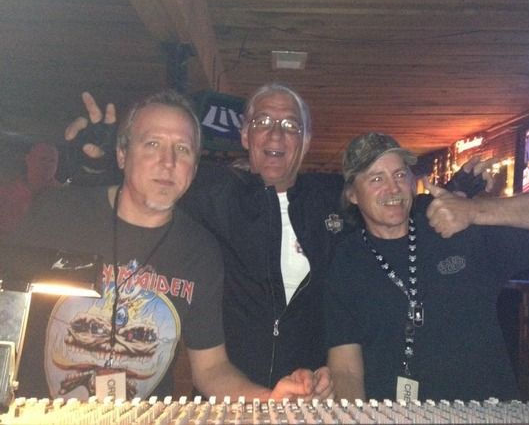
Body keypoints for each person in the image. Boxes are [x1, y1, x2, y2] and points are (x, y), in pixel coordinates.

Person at [63, 84, 491, 392]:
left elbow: (388, 204)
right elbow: (149, 184)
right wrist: (95, 162)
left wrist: (453, 196)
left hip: (307, 392)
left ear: (305, 141)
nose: (275, 133)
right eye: (263, 122)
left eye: (289, 124)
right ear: (245, 136)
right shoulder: (210, 190)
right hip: (228, 394)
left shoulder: (331, 198)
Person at [7, 90, 328, 402]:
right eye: (152, 144)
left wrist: (269, 399)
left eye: (182, 150)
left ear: (194, 168)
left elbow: (211, 369)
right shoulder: (58, 214)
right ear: (122, 154)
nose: (168, 162)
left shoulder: (200, 251)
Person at [325, 132, 529, 402]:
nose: (393, 189)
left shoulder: (455, 227)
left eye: (400, 175)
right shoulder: (347, 260)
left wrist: (475, 211)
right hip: (394, 415)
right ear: (352, 194)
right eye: (376, 179)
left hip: (485, 412)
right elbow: (345, 368)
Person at [0, 142, 62, 238]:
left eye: (52, 161)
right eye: (43, 159)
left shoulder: (64, 197)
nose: (47, 165)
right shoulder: (6, 192)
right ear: (28, 159)